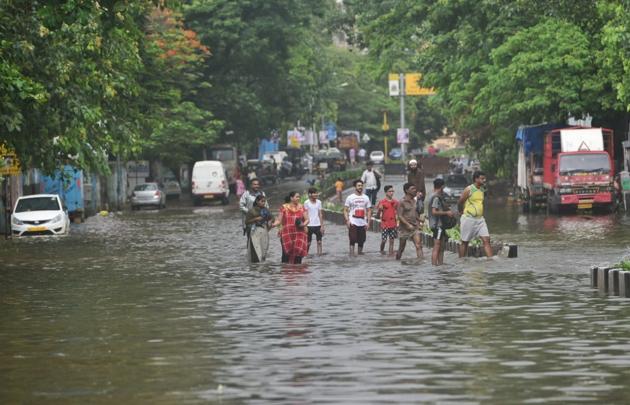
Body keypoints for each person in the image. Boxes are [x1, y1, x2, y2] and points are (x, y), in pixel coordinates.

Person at [458, 171, 493, 258]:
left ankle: (491, 261)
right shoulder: (469, 189)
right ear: (476, 179)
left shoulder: (482, 189)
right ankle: (461, 261)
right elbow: (460, 202)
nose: (484, 180)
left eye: (484, 178)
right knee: (465, 242)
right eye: (482, 178)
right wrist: (461, 212)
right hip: (469, 218)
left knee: (486, 240)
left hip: (480, 219)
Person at [275, 191, 309, 264]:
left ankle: (297, 272)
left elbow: (307, 220)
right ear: (291, 198)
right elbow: (279, 220)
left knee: (298, 253)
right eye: (297, 197)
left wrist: (303, 225)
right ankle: (286, 272)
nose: (298, 198)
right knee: (286, 254)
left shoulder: (302, 207)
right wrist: (273, 225)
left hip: (299, 233)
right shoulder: (284, 207)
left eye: (299, 197)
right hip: (287, 234)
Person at [428, 178, 455, 266]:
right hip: (437, 225)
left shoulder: (434, 195)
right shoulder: (436, 197)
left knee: (442, 246)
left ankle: (440, 265)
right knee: (437, 245)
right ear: (442, 186)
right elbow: (434, 211)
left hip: (440, 225)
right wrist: (446, 212)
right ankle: (434, 265)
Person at [344, 179, 372, 256]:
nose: (360, 187)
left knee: (362, 240)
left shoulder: (366, 197)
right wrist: (347, 221)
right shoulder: (350, 197)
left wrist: (368, 222)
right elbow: (345, 210)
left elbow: (369, 210)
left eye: (361, 186)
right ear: (355, 187)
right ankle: (351, 255)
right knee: (352, 239)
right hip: (353, 221)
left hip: (363, 222)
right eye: (359, 186)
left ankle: (360, 254)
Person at [396, 182, 423, 260]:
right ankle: (397, 261)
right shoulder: (402, 202)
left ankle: (421, 263)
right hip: (404, 229)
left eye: (415, 188)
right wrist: (407, 224)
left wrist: (419, 220)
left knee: (418, 245)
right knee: (401, 248)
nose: (415, 190)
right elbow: (400, 216)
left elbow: (414, 213)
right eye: (412, 189)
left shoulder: (414, 201)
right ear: (407, 190)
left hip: (414, 227)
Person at [245, 195, 275, 263]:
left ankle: (261, 264)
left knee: (263, 250)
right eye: (262, 201)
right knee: (256, 250)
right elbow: (246, 222)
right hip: (255, 232)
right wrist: (256, 219)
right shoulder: (251, 211)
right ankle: (256, 265)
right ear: (257, 201)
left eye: (264, 201)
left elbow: (272, 218)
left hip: (264, 232)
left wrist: (270, 221)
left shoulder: (266, 210)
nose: (263, 203)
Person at [376, 185, 399, 256]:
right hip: (385, 224)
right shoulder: (382, 202)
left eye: (392, 191)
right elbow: (377, 215)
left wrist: (398, 223)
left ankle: (390, 254)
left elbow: (398, 213)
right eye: (390, 191)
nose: (391, 193)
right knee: (384, 240)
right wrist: (379, 210)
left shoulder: (396, 202)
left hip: (393, 224)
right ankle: (381, 251)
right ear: (386, 192)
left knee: (392, 241)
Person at [304, 188, 324, 255]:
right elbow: (305, 214)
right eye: (314, 193)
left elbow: (320, 214)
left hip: (318, 225)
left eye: (316, 193)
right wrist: (305, 226)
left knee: (319, 242)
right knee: (308, 242)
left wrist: (322, 226)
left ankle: (319, 254)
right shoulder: (306, 202)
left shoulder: (319, 202)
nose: (316, 194)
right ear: (310, 194)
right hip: (309, 225)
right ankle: (306, 255)